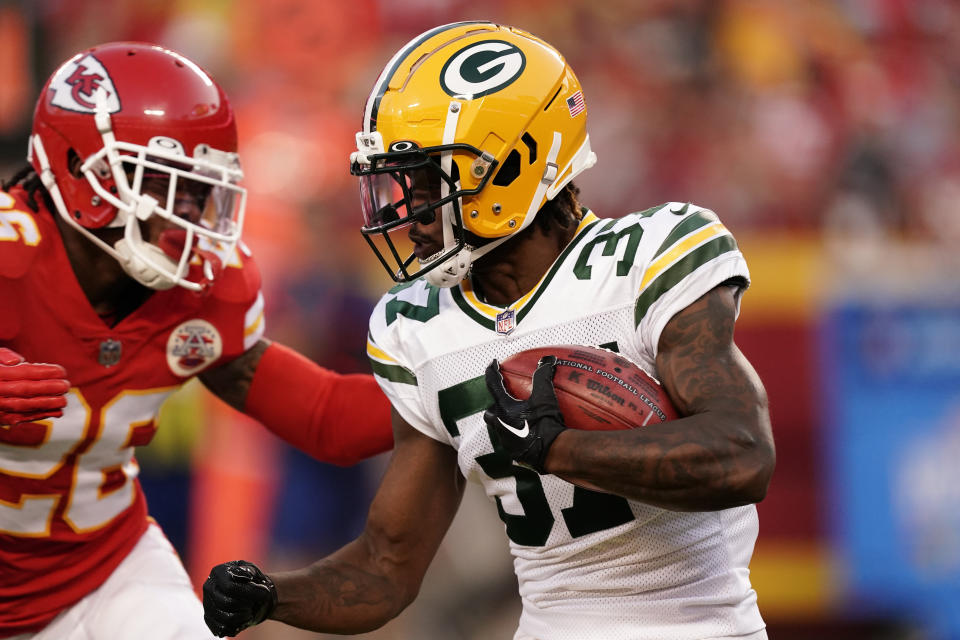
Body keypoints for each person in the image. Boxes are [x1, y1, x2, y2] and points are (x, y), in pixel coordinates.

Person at [203, 21, 776, 640]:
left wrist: (560, 450)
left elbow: (742, 455)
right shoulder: (416, 326)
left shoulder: (648, 257)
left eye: (427, 179)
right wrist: (272, 596)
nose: (406, 206)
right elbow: (386, 568)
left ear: (514, 165)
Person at [0, 42, 393, 640]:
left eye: (199, 191)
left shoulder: (201, 290)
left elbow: (325, 417)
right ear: (83, 170)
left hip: (102, 572)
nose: (189, 215)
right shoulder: (11, 256)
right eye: (162, 183)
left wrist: (464, 390)